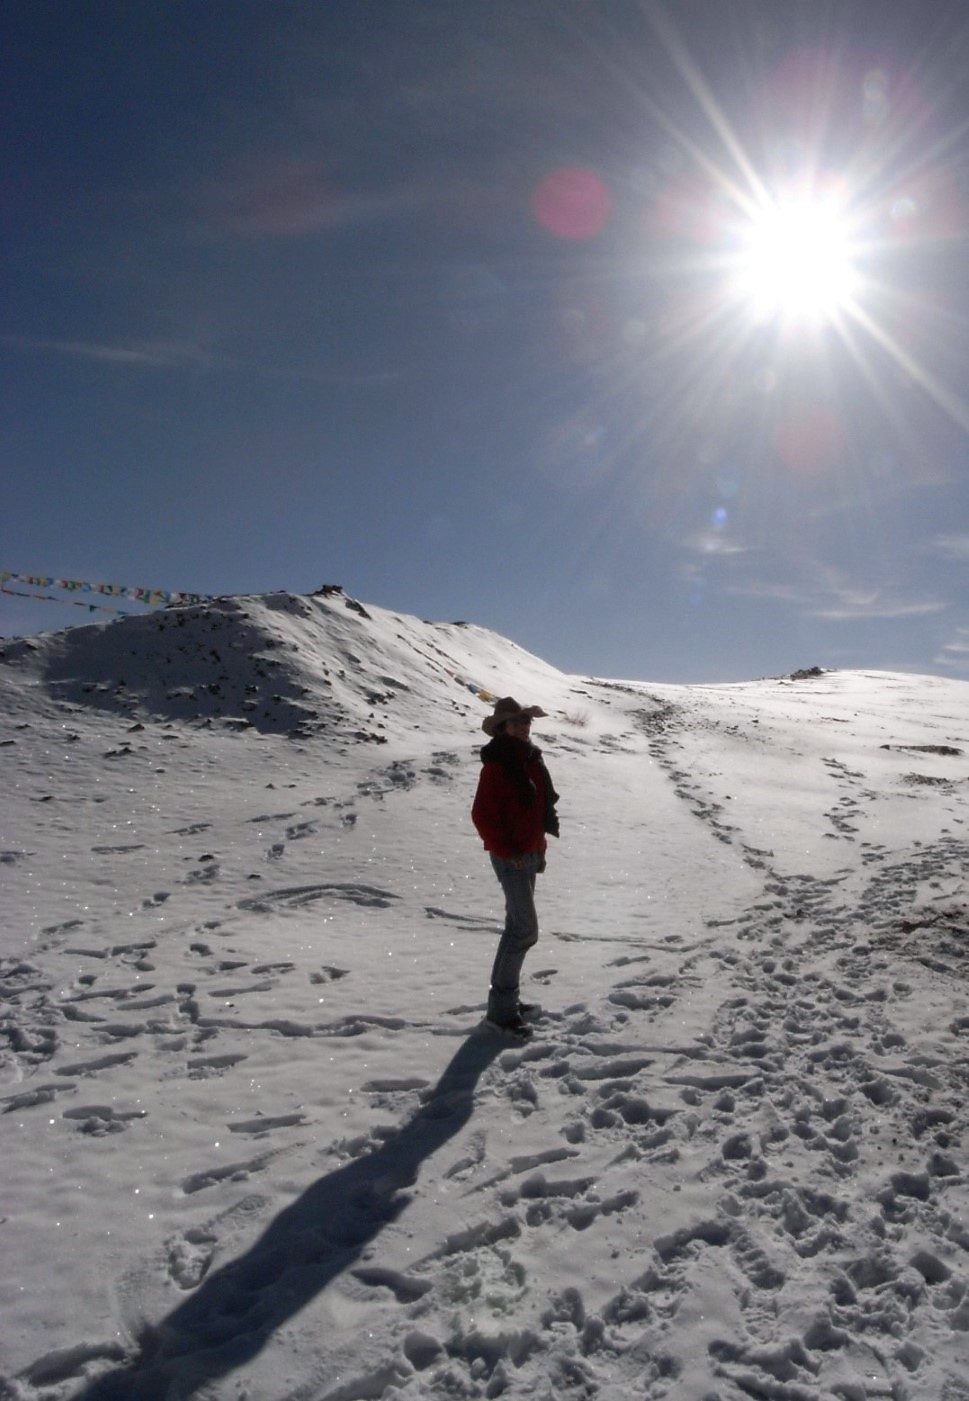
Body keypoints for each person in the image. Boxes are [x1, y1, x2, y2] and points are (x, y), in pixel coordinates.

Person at [471, 696, 560, 1037]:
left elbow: (534, 810)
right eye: (516, 723)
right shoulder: (498, 765)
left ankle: (505, 1004)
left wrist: (538, 848)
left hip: (528, 853)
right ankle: (501, 1011)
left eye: (526, 723)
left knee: (516, 928)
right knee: (524, 930)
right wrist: (510, 851)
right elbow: (482, 816)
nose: (523, 728)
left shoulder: (528, 760)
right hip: (511, 856)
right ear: (502, 729)